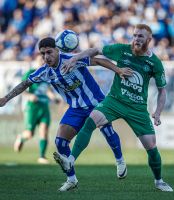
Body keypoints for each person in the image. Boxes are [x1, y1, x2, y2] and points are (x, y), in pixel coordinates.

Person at [0, 37, 133, 191]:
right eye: (42, 54)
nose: (46, 57)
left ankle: (120, 160)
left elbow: (98, 61)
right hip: (75, 108)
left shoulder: (72, 59)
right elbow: (25, 84)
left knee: (106, 129)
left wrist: (119, 70)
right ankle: (71, 179)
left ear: (57, 50)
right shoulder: (45, 72)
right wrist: (6, 98)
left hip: (95, 102)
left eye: (49, 52)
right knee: (60, 142)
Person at [53, 24, 174, 192]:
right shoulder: (121, 50)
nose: (136, 39)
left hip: (137, 108)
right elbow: (94, 51)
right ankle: (70, 160)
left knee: (151, 147)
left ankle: (159, 181)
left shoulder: (154, 63)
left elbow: (162, 91)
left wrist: (158, 112)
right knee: (91, 121)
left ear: (149, 39)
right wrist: (74, 58)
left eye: (141, 36)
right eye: (135, 35)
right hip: (114, 100)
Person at [13, 55, 60, 164]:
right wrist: (29, 96)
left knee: (44, 131)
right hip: (32, 107)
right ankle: (21, 137)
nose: (42, 61)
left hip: (44, 107)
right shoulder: (31, 72)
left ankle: (42, 157)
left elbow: (47, 90)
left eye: (44, 60)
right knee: (29, 134)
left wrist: (54, 99)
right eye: (40, 59)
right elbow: (22, 88)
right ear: (36, 61)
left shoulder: (47, 74)